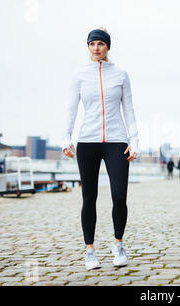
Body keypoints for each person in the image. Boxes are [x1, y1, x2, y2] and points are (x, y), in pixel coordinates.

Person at [62, 28, 139, 270]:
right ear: (88, 47)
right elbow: (71, 109)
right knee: (89, 197)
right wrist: (66, 138)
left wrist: (134, 140)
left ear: (108, 47)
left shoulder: (121, 74)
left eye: (100, 44)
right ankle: (90, 251)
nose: (96, 48)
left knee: (119, 195)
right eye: (92, 44)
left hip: (117, 141)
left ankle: (118, 244)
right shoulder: (79, 76)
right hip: (88, 142)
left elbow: (129, 109)